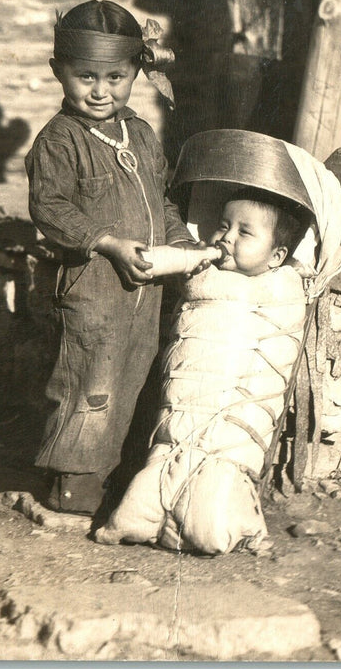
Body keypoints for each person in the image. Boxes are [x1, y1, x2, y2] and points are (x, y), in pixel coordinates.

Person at [25, 0, 199, 515]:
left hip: (145, 291)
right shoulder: (59, 141)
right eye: (85, 77)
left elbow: (161, 200)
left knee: (137, 376)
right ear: (59, 71)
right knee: (89, 380)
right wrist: (105, 241)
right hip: (94, 288)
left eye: (115, 77)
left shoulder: (141, 136)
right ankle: (73, 484)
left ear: (135, 74)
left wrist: (182, 245)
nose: (100, 91)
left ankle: (117, 474)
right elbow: (49, 207)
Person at [95, 187, 309, 554]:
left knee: (212, 512)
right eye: (224, 226)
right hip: (185, 413)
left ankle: (211, 519)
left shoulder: (281, 291)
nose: (226, 237)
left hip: (229, 433)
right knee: (163, 463)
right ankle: (147, 516)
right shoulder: (202, 279)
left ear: (277, 257)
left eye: (245, 232)